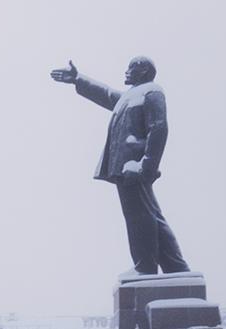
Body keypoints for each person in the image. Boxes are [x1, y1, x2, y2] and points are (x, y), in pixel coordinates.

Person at [50, 57, 190, 276]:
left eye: (131, 68)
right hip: (126, 168)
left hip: (134, 168)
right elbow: (106, 94)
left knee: (140, 218)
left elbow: (159, 128)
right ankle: (176, 268)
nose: (126, 71)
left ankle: (145, 268)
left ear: (143, 71)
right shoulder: (130, 96)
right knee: (149, 216)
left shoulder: (152, 92)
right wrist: (78, 79)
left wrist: (146, 167)